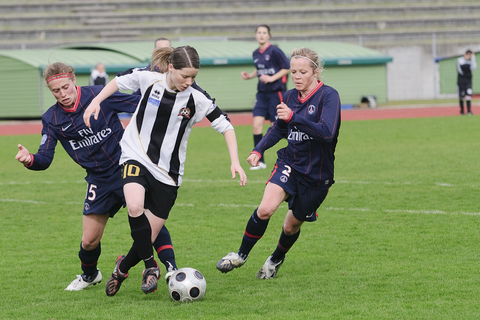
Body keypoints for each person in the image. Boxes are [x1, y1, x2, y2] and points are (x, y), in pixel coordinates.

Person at [83, 45, 247, 296]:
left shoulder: (196, 97)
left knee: (147, 237)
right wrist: (96, 100)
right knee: (135, 207)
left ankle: (122, 268)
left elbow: (226, 126)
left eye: (194, 77)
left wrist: (235, 160)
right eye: (185, 76)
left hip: (168, 173)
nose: (189, 82)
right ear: (171, 67)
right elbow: (117, 81)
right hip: (134, 155)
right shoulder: (149, 79)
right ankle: (151, 267)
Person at [15, 62, 178, 291]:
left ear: (74, 80)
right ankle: (90, 275)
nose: (63, 94)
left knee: (147, 220)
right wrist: (29, 159)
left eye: (66, 87)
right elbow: (44, 158)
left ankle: (171, 267)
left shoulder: (100, 95)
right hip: (98, 180)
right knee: (89, 240)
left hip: (126, 167)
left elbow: (138, 105)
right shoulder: (51, 119)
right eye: (56, 91)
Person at [217, 47, 341, 279]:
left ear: (315, 72)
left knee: (290, 226)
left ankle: (274, 260)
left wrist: (295, 118)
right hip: (289, 163)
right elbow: (279, 128)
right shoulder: (289, 96)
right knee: (265, 209)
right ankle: (240, 255)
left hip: (317, 174)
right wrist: (258, 149)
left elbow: (327, 133)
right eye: (293, 71)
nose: (296, 76)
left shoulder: (329, 96)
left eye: (302, 72)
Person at [241, 24, 290, 170]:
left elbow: (287, 67)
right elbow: (259, 69)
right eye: (259, 32)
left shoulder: (275, 50)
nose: (261, 35)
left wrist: (271, 78)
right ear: (256, 35)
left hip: (276, 93)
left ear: (269, 35)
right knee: (256, 125)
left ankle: (301, 151)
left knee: (277, 128)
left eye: (264, 32)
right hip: (261, 94)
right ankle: (259, 160)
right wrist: (249, 76)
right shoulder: (256, 53)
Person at [457, 49, 477, 115]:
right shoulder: (460, 60)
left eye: (470, 55)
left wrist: (473, 58)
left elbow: (473, 67)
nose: (468, 56)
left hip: (468, 81)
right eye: (467, 54)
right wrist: (464, 76)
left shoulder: (471, 61)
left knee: (469, 94)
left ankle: (469, 111)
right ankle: (462, 111)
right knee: (462, 96)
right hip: (461, 81)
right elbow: (459, 70)